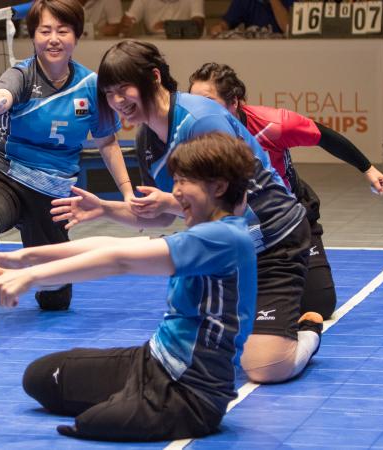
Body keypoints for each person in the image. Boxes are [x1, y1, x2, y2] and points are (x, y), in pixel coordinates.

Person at [0, 133, 257, 441]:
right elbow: (111, 244)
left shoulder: (224, 239)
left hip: (191, 393)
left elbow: (120, 261)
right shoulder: (210, 231)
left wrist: (30, 278)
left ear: (219, 187)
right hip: (151, 362)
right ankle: (130, 397)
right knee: (39, 378)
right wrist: (25, 258)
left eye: (185, 183)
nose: (176, 192)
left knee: (91, 424)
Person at [60, 40, 321, 384]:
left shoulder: (201, 120)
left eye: (124, 88)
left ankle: (309, 330)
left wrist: (170, 203)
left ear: (154, 77)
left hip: (274, 240)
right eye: (109, 93)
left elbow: (236, 202)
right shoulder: (146, 140)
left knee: (264, 367)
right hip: (226, 246)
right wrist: (106, 209)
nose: (118, 101)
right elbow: (163, 214)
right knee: (202, 350)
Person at [0, 0, 134, 340]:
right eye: (45, 31)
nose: (54, 39)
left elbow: (108, 143)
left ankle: (44, 282)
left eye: (63, 31)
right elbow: (5, 92)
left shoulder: (90, 87)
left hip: (51, 195)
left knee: (56, 299)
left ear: (76, 37)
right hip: (4, 177)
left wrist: (127, 192)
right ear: (33, 36)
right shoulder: (22, 75)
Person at [188, 62, 383, 319]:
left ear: (234, 102)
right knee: (220, 307)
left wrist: (368, 169)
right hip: (238, 224)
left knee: (320, 304)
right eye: (193, 102)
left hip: (292, 217)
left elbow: (322, 135)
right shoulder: (191, 133)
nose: (198, 110)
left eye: (207, 101)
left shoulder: (273, 124)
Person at [120, 0, 203, 37]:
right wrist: (126, 25)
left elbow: (198, 26)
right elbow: (127, 21)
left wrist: (167, 26)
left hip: (188, 45)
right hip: (155, 47)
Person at [209, 0, 292, 36]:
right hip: (254, 53)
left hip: (284, 52)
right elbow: (226, 22)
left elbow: (288, 28)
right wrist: (220, 27)